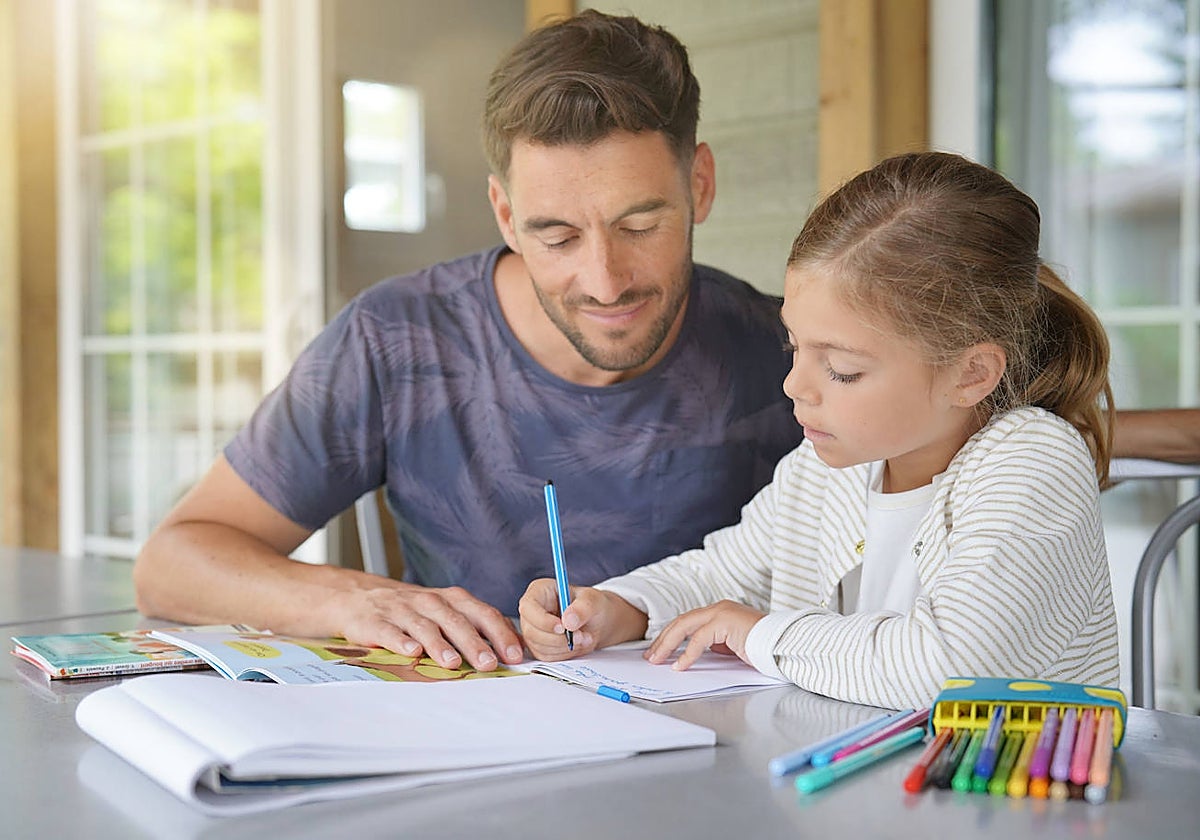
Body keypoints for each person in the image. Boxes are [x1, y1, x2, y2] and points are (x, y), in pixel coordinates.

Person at [133, 11, 802, 673]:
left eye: (639, 225)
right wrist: (352, 598)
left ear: (700, 185)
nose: (604, 282)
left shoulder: (794, 354)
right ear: (506, 215)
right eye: (558, 236)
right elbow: (172, 565)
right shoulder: (396, 339)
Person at [520, 152, 1121, 710]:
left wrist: (760, 633)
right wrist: (615, 607)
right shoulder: (824, 468)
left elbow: (951, 668)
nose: (795, 386)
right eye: (793, 344)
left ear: (972, 374)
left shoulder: (1034, 463)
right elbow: (720, 573)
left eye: (842, 369)